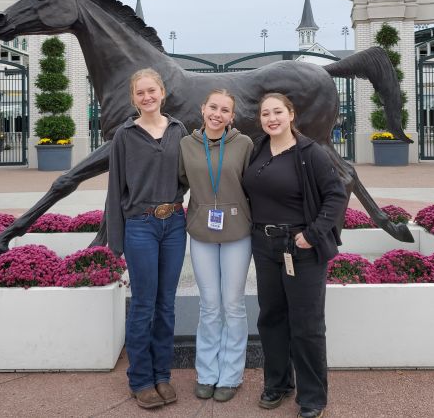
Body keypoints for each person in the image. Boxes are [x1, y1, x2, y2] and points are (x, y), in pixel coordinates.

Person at [242, 93, 347, 418]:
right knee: (271, 317)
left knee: (307, 324)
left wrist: (312, 234)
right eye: (265, 114)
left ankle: (312, 396)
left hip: (300, 248)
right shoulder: (258, 148)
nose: (271, 118)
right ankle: (278, 383)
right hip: (264, 244)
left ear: (291, 115)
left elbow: (336, 193)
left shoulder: (309, 153)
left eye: (277, 112)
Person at [105, 68, 188, 410]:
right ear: (134, 97)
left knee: (166, 304)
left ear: (162, 93)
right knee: (143, 305)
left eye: (152, 90)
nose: (147, 97)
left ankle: (162, 375)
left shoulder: (178, 130)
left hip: (174, 225)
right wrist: (116, 239)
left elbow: (189, 173)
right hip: (140, 224)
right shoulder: (124, 135)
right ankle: (140, 380)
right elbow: (115, 188)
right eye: (140, 93)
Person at [178, 89, 253, 403]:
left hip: (238, 232)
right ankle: (207, 373)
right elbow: (178, 181)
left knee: (233, 304)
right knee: (209, 305)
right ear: (203, 109)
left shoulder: (244, 144)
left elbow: (254, 184)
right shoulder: (186, 144)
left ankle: (231, 374)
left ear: (232, 116)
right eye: (213, 107)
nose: (217, 114)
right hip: (201, 233)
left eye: (225, 110)